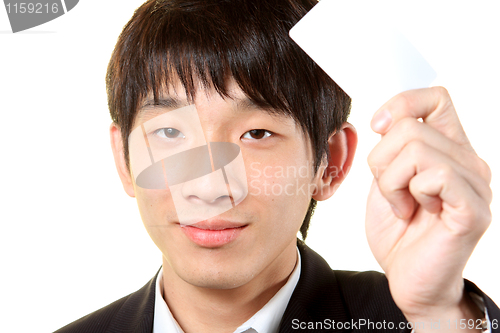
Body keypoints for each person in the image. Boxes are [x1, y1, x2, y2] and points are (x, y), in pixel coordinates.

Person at [55, 0, 499, 332]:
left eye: (257, 134)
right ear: (124, 158)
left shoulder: (418, 318)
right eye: (171, 133)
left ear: (330, 163)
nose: (209, 188)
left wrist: (439, 309)